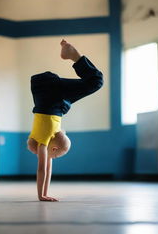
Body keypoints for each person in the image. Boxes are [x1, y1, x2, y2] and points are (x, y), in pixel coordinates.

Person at [27, 39, 103, 202]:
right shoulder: (46, 137)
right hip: (44, 93)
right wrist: (43, 194)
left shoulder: (44, 141)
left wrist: (41, 196)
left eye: (53, 155)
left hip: (49, 91)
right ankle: (72, 55)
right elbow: (47, 168)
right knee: (67, 103)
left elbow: (42, 169)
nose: (51, 158)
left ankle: (74, 55)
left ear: (53, 148)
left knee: (96, 81)